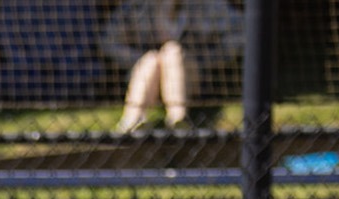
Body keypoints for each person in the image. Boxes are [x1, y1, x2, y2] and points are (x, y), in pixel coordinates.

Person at [102, 0, 242, 132]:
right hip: (148, 73)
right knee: (152, 59)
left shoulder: (207, 4)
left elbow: (241, 33)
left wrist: (208, 59)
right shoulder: (136, 6)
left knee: (173, 51)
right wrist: (137, 58)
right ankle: (133, 121)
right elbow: (108, 43)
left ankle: (177, 119)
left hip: (193, 74)